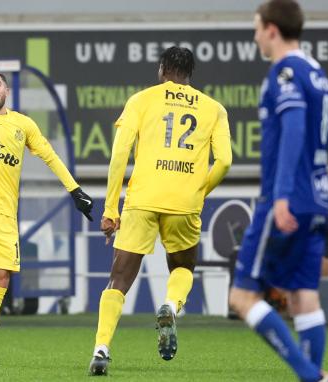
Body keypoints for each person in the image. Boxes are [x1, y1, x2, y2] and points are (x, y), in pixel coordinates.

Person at [0, 15, 94, 366]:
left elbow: (50, 156)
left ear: (6, 90)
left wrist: (75, 191)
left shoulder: (23, 124)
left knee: (0, 278)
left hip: (6, 214)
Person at [88, 46, 232, 375]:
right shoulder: (214, 109)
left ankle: (101, 349)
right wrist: (199, 191)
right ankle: (169, 305)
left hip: (141, 200)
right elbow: (225, 161)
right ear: (190, 74)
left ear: (162, 69)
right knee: (182, 267)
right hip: (185, 203)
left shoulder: (141, 100)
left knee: (118, 280)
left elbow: (119, 153)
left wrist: (111, 209)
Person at [228, 1, 328, 381]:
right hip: (319, 199)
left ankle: (312, 375)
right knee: (303, 294)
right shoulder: (317, 73)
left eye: (257, 27)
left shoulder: (285, 72)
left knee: (241, 298)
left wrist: (283, 195)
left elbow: (293, 129)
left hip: (284, 199)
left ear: (272, 29)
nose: (255, 35)